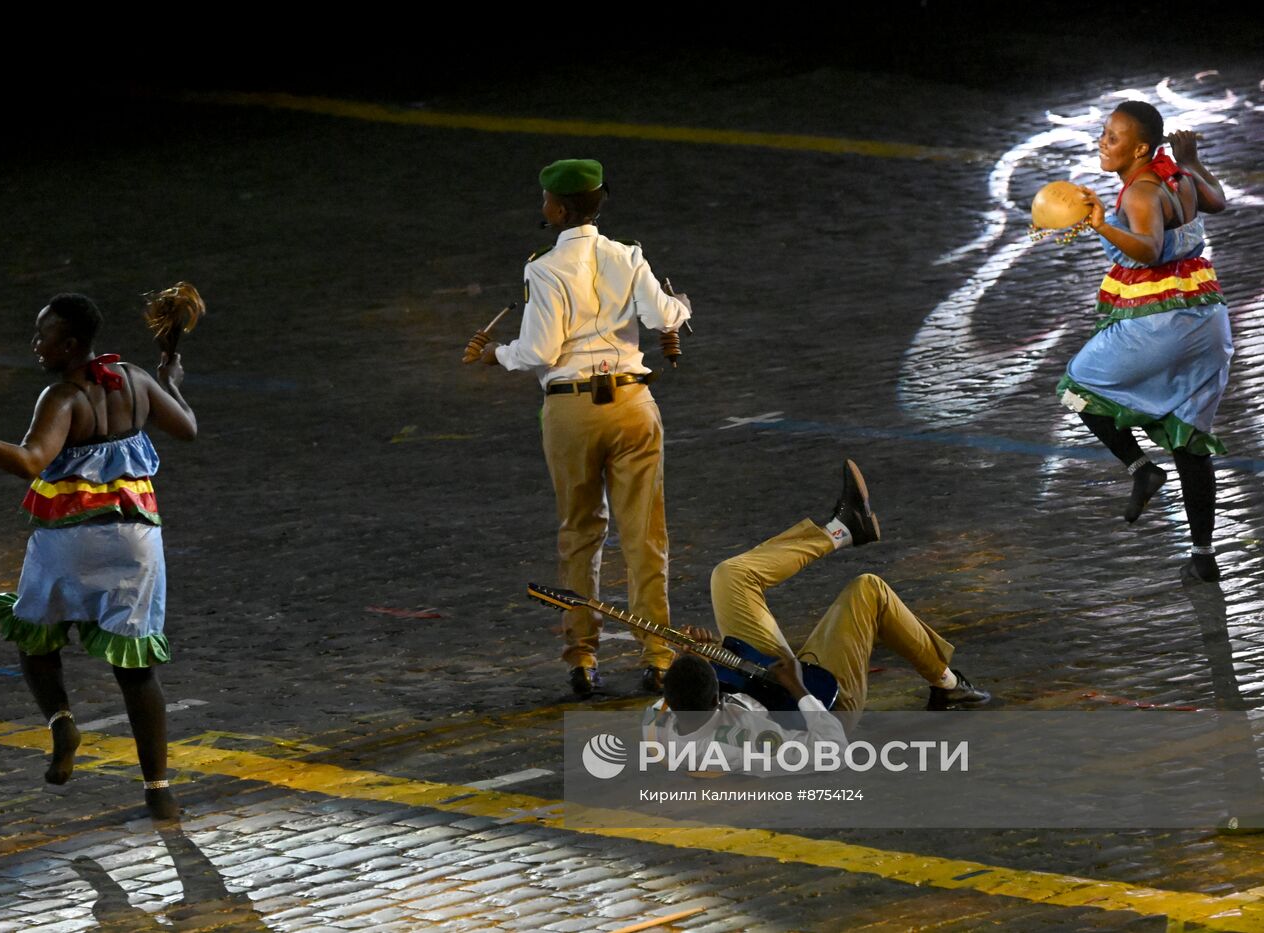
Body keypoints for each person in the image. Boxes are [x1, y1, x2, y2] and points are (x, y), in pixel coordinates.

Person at [0, 293, 197, 819]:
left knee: (34, 636)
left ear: (70, 344)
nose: (35, 345)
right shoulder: (136, 379)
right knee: (136, 668)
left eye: (43, 336)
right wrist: (170, 380)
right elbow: (186, 427)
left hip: (68, 540)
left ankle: (61, 721)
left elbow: (29, 460)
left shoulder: (61, 397)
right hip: (134, 541)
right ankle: (159, 792)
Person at [463, 158, 692, 697]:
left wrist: (495, 354)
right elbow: (664, 318)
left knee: (580, 534)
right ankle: (658, 655)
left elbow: (539, 350)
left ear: (558, 209)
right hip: (634, 405)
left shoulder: (542, 268)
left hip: (570, 410)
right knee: (645, 537)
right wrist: (680, 306)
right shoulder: (628, 255)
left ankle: (583, 658)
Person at [651, 461, 991, 767]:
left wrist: (704, 657)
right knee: (868, 589)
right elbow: (831, 749)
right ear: (713, 700)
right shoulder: (750, 744)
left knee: (729, 576)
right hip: (821, 704)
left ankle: (840, 530)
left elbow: (691, 697)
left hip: (761, 681)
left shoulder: (664, 720)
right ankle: (949, 685)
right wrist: (800, 690)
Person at [1057, 101, 1232, 583]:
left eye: (1112, 137)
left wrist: (1101, 224)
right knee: (1187, 436)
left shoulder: (1140, 192)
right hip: (1208, 322)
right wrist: (1192, 160)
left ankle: (1140, 468)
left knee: (1076, 387)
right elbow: (1218, 202)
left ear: (1138, 148)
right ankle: (1203, 556)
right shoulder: (1176, 176)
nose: (1101, 143)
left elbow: (1150, 248)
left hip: (1163, 324)